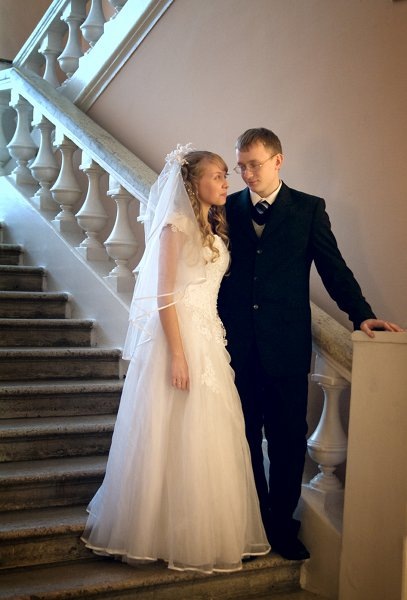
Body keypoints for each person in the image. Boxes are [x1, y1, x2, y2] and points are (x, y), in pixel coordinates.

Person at [81, 144, 270, 573]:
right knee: (169, 432)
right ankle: (155, 532)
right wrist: (178, 356)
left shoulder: (215, 227)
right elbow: (164, 296)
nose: (226, 183)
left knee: (207, 433)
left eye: (225, 175)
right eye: (217, 176)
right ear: (193, 182)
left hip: (209, 337)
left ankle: (200, 532)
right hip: (179, 338)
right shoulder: (174, 227)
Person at [217, 127, 404, 561]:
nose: (246, 173)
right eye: (240, 166)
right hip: (236, 346)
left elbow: (334, 269)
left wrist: (361, 314)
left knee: (288, 439)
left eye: (254, 164)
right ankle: (252, 523)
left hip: (286, 346)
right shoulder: (226, 209)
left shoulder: (308, 209)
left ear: (278, 161)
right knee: (243, 436)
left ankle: (282, 527)